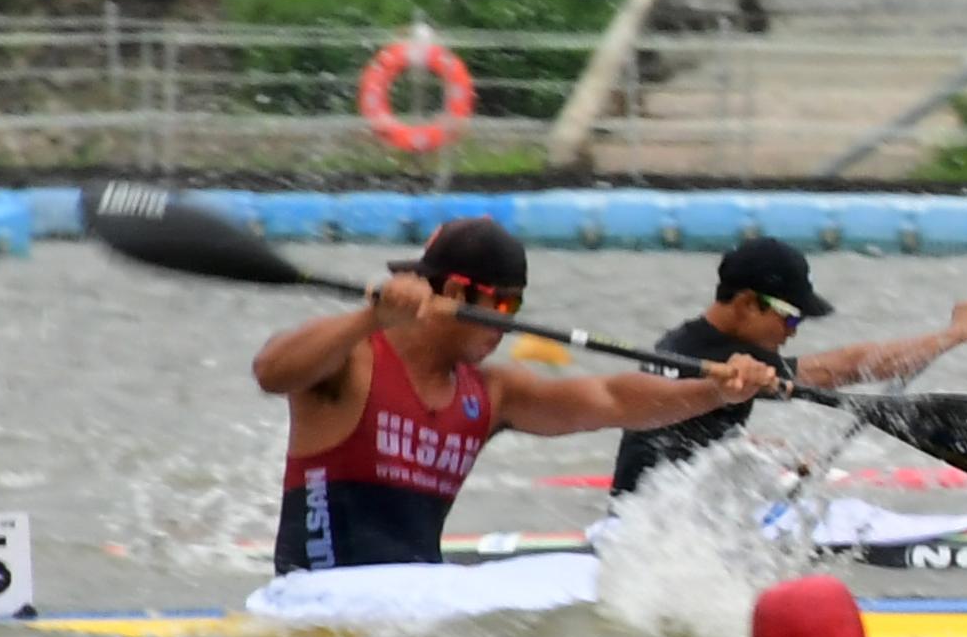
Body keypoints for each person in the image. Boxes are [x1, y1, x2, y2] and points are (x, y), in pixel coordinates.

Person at [256, 218, 776, 574]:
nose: (506, 321)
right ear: (455, 294)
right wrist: (370, 315)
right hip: (316, 598)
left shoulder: (491, 395)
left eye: (518, 303)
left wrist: (716, 392)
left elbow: (613, 398)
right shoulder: (353, 357)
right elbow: (271, 371)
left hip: (411, 607)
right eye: (501, 302)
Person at [607, 236, 967, 496]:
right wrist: (952, 335)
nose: (793, 332)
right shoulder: (723, 360)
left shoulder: (683, 344)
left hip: (645, 520)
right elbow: (850, 366)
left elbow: (696, 439)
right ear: (747, 304)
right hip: (664, 533)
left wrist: (777, 455)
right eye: (790, 318)